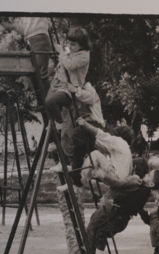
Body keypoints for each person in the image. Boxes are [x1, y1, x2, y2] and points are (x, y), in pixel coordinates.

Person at [82, 166, 159, 254]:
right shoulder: (142, 190)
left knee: (98, 230)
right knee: (99, 231)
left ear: (151, 184)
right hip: (119, 217)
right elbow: (137, 207)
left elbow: (131, 205)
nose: (145, 175)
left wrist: (115, 202)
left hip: (119, 218)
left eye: (149, 175)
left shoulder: (142, 192)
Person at [45, 26, 90, 166]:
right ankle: (63, 157)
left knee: (50, 102)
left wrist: (62, 53)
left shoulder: (84, 55)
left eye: (73, 44)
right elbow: (62, 64)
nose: (70, 46)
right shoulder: (71, 52)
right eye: (69, 43)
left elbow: (69, 65)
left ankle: (58, 126)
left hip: (69, 89)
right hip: (58, 85)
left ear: (82, 45)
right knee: (46, 106)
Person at [0, 17, 51, 94]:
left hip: (38, 39)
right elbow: (48, 24)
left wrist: (6, 24)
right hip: (36, 39)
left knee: (41, 74)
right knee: (37, 73)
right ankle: (44, 99)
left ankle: (47, 100)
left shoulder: (30, 18)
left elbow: (23, 28)